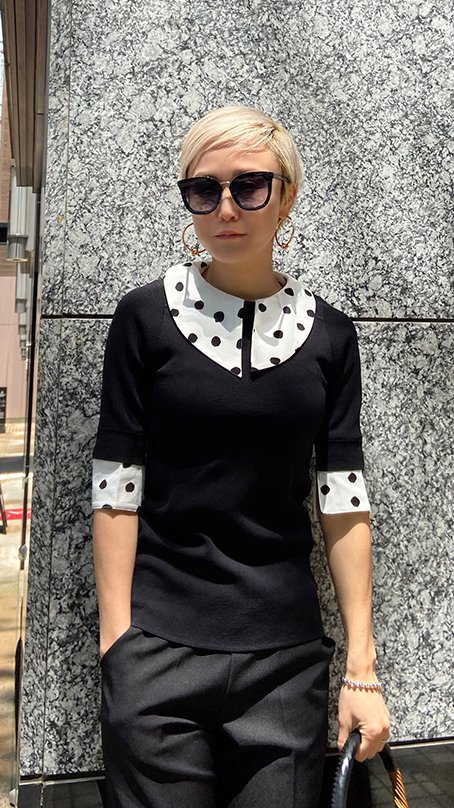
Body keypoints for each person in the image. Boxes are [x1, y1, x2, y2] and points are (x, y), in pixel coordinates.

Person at [92, 106, 390, 808]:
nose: (225, 209)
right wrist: (117, 648)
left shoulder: (331, 336)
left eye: (249, 186)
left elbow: (344, 500)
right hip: (156, 652)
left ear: (286, 195)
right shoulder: (143, 318)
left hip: (284, 662)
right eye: (204, 190)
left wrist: (362, 668)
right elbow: (115, 487)